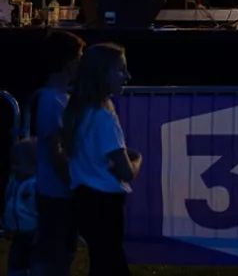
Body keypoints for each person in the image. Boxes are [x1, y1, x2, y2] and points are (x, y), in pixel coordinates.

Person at [62, 43, 138, 276]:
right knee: (111, 263)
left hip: (83, 199)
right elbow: (126, 172)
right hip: (105, 204)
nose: (127, 76)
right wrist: (137, 160)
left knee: (102, 261)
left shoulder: (77, 112)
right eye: (120, 70)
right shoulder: (104, 118)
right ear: (101, 74)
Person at [30, 30, 86, 276]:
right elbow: (56, 150)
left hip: (63, 191)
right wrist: (72, 181)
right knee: (52, 254)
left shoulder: (64, 98)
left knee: (65, 251)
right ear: (69, 63)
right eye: (80, 57)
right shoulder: (50, 100)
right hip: (54, 192)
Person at [3, 140, 37, 276]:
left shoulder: (34, 186)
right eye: (12, 163)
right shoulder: (13, 184)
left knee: (31, 265)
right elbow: (9, 204)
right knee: (15, 265)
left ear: (33, 165)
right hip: (17, 234)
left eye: (17, 163)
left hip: (32, 235)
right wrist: (6, 223)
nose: (13, 167)